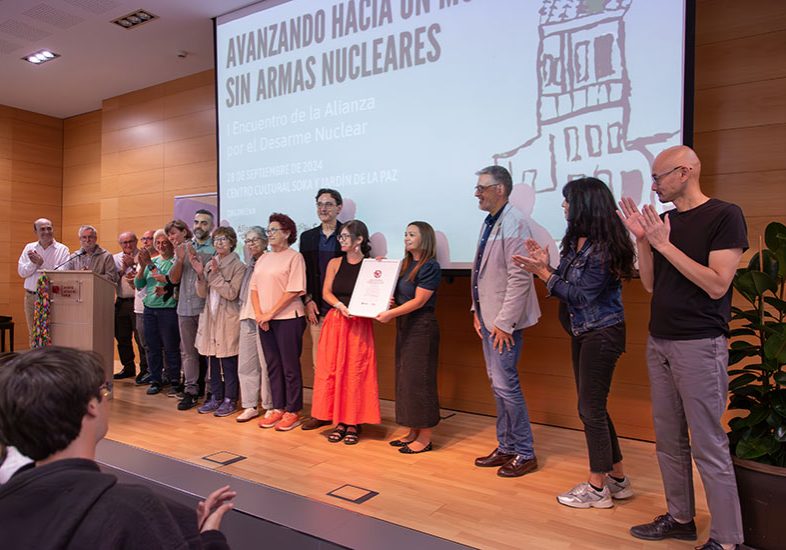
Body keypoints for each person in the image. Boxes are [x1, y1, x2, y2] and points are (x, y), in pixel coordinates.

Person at [618, 145, 746, 550]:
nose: (653, 185)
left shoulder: (724, 215)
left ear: (686, 172)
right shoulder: (664, 222)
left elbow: (717, 284)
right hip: (660, 341)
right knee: (668, 440)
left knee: (708, 444)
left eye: (658, 178)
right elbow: (653, 284)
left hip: (700, 345)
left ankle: (727, 540)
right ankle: (680, 518)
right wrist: (643, 241)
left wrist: (665, 244)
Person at [0, 346, 234, 549]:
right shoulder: (132, 511)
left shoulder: (9, 502)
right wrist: (209, 539)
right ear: (91, 407)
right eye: (103, 391)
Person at [514, 178, 635, 508]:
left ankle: (597, 488)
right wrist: (546, 265)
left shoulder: (603, 247)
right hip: (582, 332)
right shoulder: (576, 241)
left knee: (589, 410)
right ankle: (619, 479)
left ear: (584, 204)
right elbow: (568, 282)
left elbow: (581, 295)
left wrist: (543, 274)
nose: (564, 206)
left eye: (568, 201)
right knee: (593, 407)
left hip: (602, 333)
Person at [471, 165, 541, 478]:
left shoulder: (514, 222)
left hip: (503, 323)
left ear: (500, 189)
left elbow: (520, 277)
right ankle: (506, 446)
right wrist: (477, 312)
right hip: (488, 319)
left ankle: (525, 452)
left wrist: (504, 323)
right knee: (498, 385)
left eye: (482, 187)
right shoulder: (492, 221)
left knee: (506, 385)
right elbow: (483, 274)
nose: (477, 192)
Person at [310, 220, 380, 445]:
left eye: (346, 236)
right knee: (333, 371)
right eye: (340, 236)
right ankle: (338, 421)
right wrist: (340, 306)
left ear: (359, 240)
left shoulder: (371, 265)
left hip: (359, 325)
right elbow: (326, 292)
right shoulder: (334, 262)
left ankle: (354, 422)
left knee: (355, 373)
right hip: (336, 321)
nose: (341, 240)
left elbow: (377, 292)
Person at [376, 222, 441, 454]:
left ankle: (425, 437)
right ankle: (413, 430)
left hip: (422, 327)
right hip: (405, 325)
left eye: (412, 234)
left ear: (425, 238)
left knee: (419, 381)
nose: (406, 238)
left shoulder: (430, 266)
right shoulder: (405, 265)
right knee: (405, 379)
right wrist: (380, 268)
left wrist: (390, 313)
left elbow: (419, 301)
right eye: (405, 234)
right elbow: (399, 296)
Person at [250, 213, 307, 431]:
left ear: (287, 233)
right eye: (269, 230)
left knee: (289, 366)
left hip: (288, 319)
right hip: (264, 320)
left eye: (274, 230)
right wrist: (259, 314)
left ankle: (293, 410)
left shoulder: (295, 257)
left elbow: (293, 290)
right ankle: (278, 407)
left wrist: (270, 314)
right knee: (272, 365)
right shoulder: (263, 258)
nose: (270, 234)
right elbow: (254, 288)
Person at [299, 188, 344, 430]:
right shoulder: (307, 237)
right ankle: (321, 412)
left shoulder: (349, 233)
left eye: (328, 204)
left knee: (342, 363)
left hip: (343, 310)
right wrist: (307, 300)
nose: (323, 208)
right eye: (319, 204)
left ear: (339, 207)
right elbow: (303, 274)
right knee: (320, 364)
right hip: (316, 308)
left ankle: (342, 412)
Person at [193, 226, 246, 416]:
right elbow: (201, 293)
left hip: (228, 318)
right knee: (212, 360)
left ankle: (230, 398)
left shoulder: (239, 266)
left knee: (229, 361)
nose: (219, 243)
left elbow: (231, 293)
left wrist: (214, 275)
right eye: (216, 239)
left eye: (224, 239)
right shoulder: (210, 263)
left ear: (232, 243)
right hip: (211, 317)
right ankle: (216, 396)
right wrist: (200, 275)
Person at [168, 212, 216, 400]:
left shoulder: (215, 248)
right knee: (188, 353)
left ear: (211, 227)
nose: (199, 226)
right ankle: (191, 390)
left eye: (204, 223)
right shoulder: (184, 247)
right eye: (196, 222)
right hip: (184, 309)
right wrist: (180, 260)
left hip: (206, 309)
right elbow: (173, 279)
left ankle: (211, 391)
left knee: (209, 353)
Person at [135, 230, 182, 396]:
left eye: (164, 242)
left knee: (170, 347)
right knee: (152, 347)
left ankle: (175, 379)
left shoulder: (174, 262)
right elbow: (139, 283)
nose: (161, 246)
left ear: (170, 243)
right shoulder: (152, 261)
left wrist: (148, 263)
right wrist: (141, 267)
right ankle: (156, 379)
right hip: (149, 309)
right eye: (158, 243)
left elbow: (163, 277)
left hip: (168, 310)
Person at [236, 227, 273, 422]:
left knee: (266, 364)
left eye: (254, 240)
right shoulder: (249, 264)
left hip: (264, 317)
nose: (250, 244)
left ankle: (269, 405)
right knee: (246, 364)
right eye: (247, 240)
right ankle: (250, 404)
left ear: (265, 241)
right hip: (246, 316)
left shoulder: (270, 261)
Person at [17, 218, 70, 347]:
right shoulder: (29, 247)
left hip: (53, 297)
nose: (46, 232)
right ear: (35, 231)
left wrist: (41, 264)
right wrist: (33, 264)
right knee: (34, 333)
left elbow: (62, 274)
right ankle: (35, 365)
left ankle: (52, 365)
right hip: (32, 296)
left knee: (53, 333)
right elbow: (22, 272)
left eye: (49, 228)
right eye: (42, 229)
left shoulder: (63, 249)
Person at [113, 232, 146, 380]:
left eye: (130, 241)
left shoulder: (143, 256)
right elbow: (111, 279)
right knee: (122, 337)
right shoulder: (114, 258)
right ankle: (128, 367)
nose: (128, 245)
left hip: (138, 301)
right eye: (124, 242)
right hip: (121, 301)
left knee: (141, 338)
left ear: (136, 241)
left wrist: (132, 263)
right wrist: (123, 267)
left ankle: (145, 369)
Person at [133, 229, 157, 385]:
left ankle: (160, 374)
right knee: (144, 344)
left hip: (156, 307)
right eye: (144, 239)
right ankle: (149, 371)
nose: (146, 242)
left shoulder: (160, 260)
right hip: (140, 307)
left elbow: (158, 279)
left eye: (150, 239)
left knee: (156, 345)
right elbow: (140, 283)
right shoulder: (141, 260)